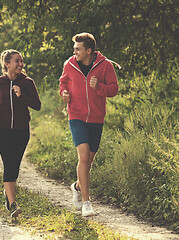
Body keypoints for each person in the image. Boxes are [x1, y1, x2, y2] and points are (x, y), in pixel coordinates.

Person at [59, 33, 119, 217]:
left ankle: (77, 186)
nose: (74, 51)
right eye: (74, 48)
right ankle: (86, 202)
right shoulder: (69, 64)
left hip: (96, 118)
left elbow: (114, 89)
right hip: (76, 116)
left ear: (89, 51)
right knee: (84, 156)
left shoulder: (105, 66)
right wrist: (64, 93)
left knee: (88, 160)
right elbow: (63, 83)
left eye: (77, 49)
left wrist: (99, 86)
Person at [0, 49, 41, 217]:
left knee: (14, 164)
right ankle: (12, 203)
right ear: (6, 64)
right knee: (9, 163)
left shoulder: (27, 83)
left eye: (21, 61)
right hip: (1, 130)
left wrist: (21, 95)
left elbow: (37, 105)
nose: (21, 64)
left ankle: (8, 195)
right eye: (17, 61)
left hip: (21, 130)